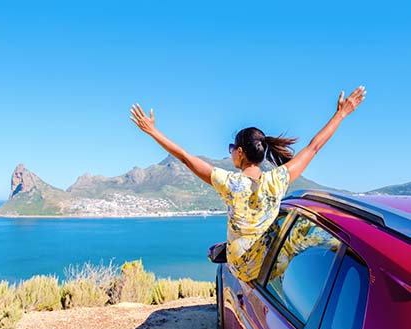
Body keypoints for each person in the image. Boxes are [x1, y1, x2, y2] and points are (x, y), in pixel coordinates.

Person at [129, 86, 366, 281]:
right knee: (303, 226)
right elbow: (314, 147)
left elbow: (185, 157)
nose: (231, 153)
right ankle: (358, 252)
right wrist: (341, 114)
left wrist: (152, 131)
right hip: (274, 263)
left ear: (240, 153)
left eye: (232, 149)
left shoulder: (230, 183)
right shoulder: (278, 179)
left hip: (246, 269)